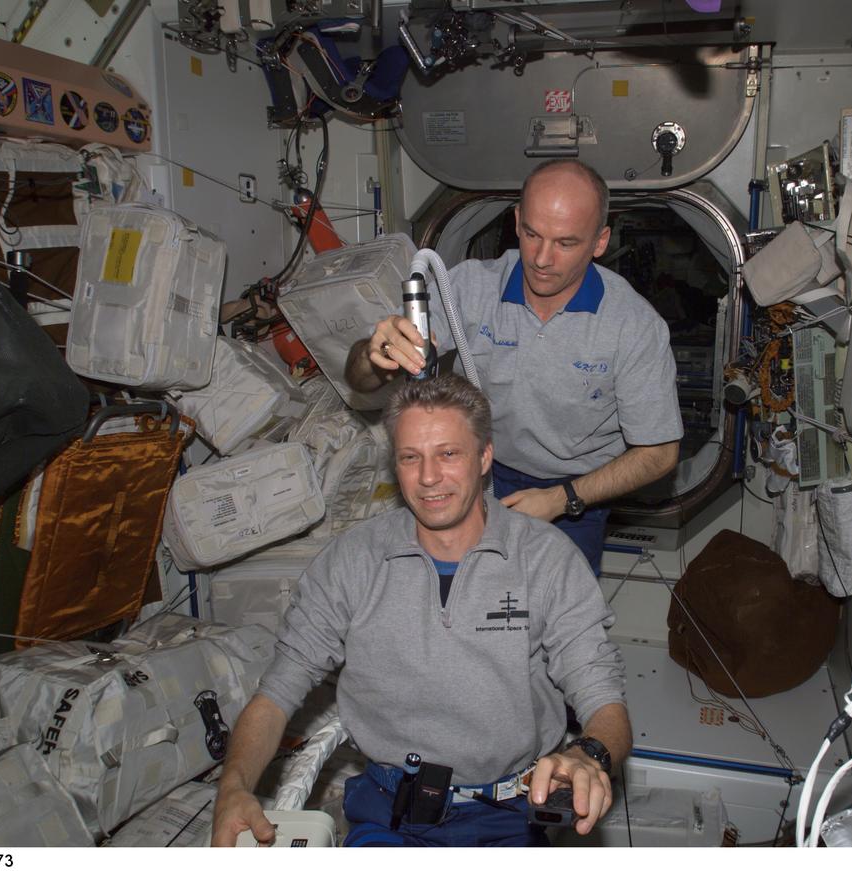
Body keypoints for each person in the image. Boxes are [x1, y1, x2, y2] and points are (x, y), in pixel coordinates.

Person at [211, 374, 631, 847]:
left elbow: (604, 699)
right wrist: (233, 788)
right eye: (411, 457)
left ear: (484, 458)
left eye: (448, 454)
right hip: (388, 812)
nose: (428, 477)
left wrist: (589, 754)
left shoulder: (547, 560)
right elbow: (276, 694)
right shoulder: (352, 561)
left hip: (510, 815)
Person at [345, 159, 682, 575]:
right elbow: (358, 380)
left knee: (557, 606)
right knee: (456, 591)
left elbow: (659, 453)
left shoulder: (633, 326)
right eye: (532, 234)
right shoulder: (470, 287)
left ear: (600, 242)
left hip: (576, 490)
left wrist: (561, 499)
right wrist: (373, 355)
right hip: (484, 471)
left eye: (566, 243)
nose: (541, 258)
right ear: (518, 221)